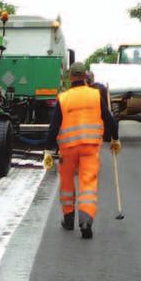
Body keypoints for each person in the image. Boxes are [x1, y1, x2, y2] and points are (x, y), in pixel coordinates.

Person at [42, 62, 122, 239]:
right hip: (90, 147)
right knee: (88, 183)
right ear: (85, 77)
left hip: (67, 149)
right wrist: (115, 138)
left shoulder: (63, 98)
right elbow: (109, 120)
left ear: (70, 78)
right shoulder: (94, 95)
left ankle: (69, 219)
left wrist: (48, 150)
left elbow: (53, 127)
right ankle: (85, 221)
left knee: (67, 183)